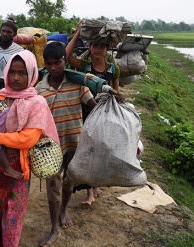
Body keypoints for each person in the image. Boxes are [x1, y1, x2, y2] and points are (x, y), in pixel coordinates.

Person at [0, 50, 59, 247]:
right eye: (12, 72)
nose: (15, 77)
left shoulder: (37, 103)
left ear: (32, 74)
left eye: (22, 73)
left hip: (18, 171)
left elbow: (27, 139)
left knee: (12, 220)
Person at [36, 42, 97, 245]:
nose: (53, 68)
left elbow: (94, 107)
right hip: (50, 147)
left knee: (70, 180)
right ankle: (54, 228)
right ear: (44, 64)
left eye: (58, 62)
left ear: (65, 61)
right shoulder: (39, 90)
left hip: (75, 142)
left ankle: (63, 209)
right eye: (49, 63)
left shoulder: (77, 84)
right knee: (53, 182)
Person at [66, 21, 122, 205]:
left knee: (101, 151)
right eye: (94, 45)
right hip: (85, 114)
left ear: (107, 49)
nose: (97, 49)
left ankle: (95, 185)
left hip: (103, 116)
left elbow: (116, 92)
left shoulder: (113, 69)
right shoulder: (84, 66)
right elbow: (66, 55)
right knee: (88, 151)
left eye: (101, 46)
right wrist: (78, 33)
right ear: (89, 47)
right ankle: (89, 192)